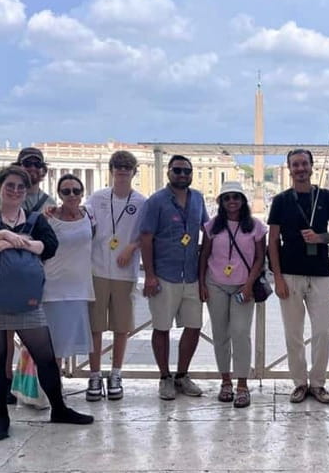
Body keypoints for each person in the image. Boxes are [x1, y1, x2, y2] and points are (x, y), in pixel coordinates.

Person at [0, 166, 93, 441]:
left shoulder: (35, 219)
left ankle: (59, 408)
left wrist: (15, 242)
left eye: (21, 187)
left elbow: (50, 246)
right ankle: (1, 417)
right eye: (10, 185)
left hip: (26, 295)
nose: (16, 191)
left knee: (44, 354)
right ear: (0, 187)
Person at [268, 148, 329, 404]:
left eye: (303, 164)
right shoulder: (280, 201)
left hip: (320, 273)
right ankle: (299, 382)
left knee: (323, 329)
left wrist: (320, 238)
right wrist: (277, 277)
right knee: (293, 333)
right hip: (289, 273)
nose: (300, 168)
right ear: (289, 169)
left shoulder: (327, 197)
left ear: (311, 167)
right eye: (295, 165)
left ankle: (318, 382)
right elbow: (272, 241)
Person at [0, 147, 57, 405]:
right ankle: (6, 383)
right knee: (4, 334)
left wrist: (15, 240)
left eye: (38, 164)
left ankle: (35, 387)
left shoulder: (50, 202)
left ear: (43, 170)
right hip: (5, 276)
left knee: (36, 338)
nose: (33, 168)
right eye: (28, 163)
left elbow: (50, 241)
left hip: (33, 276)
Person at [140, 155, 208, 400]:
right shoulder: (156, 201)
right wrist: (149, 275)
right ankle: (164, 377)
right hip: (164, 274)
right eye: (177, 170)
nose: (182, 175)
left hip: (190, 274)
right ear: (169, 172)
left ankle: (182, 374)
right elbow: (146, 238)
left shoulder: (198, 198)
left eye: (186, 171)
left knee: (193, 326)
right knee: (161, 327)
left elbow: (208, 230)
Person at [199, 182, 267, 408]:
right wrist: (201, 283)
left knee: (240, 333)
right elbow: (204, 255)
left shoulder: (256, 226)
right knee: (220, 333)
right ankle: (225, 380)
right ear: (221, 202)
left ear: (243, 200)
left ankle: (242, 384)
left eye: (236, 197)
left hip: (242, 286)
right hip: (215, 283)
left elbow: (260, 258)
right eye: (227, 198)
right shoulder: (212, 226)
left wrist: (248, 284)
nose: (231, 202)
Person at [85, 151, 146, 401]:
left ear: (134, 171)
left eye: (127, 167)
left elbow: (147, 232)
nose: (122, 171)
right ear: (111, 170)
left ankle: (116, 372)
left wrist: (132, 247)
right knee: (95, 326)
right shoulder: (97, 198)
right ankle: (95, 374)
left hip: (125, 271)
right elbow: (83, 224)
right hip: (97, 268)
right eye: (118, 166)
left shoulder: (142, 201)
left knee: (122, 327)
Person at [43, 174, 94, 367]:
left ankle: (57, 383)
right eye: (66, 191)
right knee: (53, 342)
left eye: (76, 190)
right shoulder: (49, 217)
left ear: (82, 193)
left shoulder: (89, 214)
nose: (72, 195)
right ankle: (51, 386)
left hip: (80, 288)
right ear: (59, 194)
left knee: (67, 343)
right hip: (53, 288)